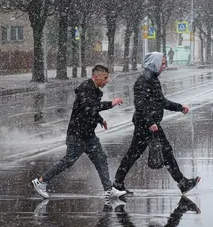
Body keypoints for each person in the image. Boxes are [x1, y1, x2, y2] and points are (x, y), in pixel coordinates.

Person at [32, 65, 127, 199]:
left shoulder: (94, 90)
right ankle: (41, 181)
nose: (107, 81)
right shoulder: (86, 89)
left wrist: (100, 120)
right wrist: (110, 104)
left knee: (101, 159)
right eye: (105, 78)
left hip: (88, 135)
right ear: (96, 77)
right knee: (68, 161)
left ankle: (108, 189)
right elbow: (89, 107)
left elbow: (90, 110)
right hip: (77, 134)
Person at [113, 52, 201, 195]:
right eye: (163, 63)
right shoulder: (143, 81)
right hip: (146, 124)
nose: (165, 66)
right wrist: (150, 122)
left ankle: (117, 184)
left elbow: (162, 102)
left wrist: (179, 108)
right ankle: (182, 182)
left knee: (137, 153)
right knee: (161, 152)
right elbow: (140, 105)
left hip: (149, 124)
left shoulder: (153, 80)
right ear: (155, 63)